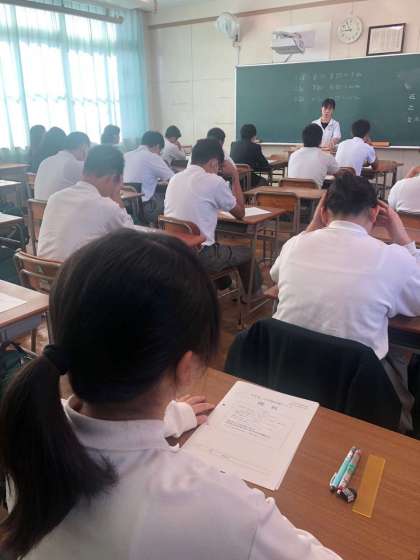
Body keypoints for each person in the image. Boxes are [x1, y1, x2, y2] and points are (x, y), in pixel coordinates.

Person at [0, 228, 342, 559]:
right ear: (186, 367)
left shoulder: (29, 430)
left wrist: (172, 417)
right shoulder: (217, 510)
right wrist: (261, 523)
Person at [270, 175, 420, 432]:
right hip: (358, 389)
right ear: (375, 213)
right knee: (399, 352)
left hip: (288, 374)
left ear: (323, 211)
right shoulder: (392, 257)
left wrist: (311, 228)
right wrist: (404, 240)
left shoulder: (295, 245)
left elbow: (275, 275)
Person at [165, 138, 262, 297]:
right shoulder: (214, 181)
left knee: (217, 246)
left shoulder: (175, 179)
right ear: (213, 163)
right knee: (247, 252)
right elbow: (240, 213)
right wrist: (235, 175)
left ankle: (224, 284)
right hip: (200, 255)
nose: (218, 171)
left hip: (173, 251)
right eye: (218, 167)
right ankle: (254, 296)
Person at [37, 145, 134, 261]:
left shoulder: (55, 198)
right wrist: (116, 194)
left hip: (40, 270)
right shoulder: (106, 206)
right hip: (76, 272)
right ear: (112, 178)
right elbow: (132, 238)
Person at [123, 131, 174, 226]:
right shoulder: (152, 157)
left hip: (126, 207)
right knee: (173, 202)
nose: (159, 154)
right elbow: (174, 180)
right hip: (146, 208)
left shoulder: (126, 155)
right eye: (160, 151)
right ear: (157, 146)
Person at [34, 132, 90, 200]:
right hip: (60, 206)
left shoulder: (45, 161)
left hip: (38, 206)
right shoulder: (73, 164)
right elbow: (92, 189)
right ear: (83, 146)